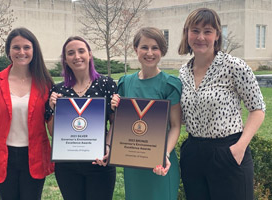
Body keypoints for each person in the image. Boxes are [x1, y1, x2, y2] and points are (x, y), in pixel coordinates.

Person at [178, 8, 266, 200]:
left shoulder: (234, 66)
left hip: (228, 151)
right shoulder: (183, 73)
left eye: (207, 31)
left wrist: (239, 147)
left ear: (217, 35)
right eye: (195, 30)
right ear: (187, 33)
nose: (201, 36)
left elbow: (258, 109)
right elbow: (181, 117)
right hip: (193, 154)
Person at [0, 27, 54, 200]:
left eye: (26, 47)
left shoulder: (45, 83)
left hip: (35, 156)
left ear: (34, 50)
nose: (21, 52)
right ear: (8, 51)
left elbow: (52, 123)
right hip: (4, 157)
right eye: (16, 47)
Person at [111, 27, 182, 200]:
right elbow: (118, 125)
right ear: (136, 49)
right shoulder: (125, 83)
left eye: (155, 48)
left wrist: (164, 154)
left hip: (160, 162)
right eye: (144, 47)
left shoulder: (170, 84)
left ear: (162, 52)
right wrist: (116, 109)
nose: (149, 53)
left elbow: (175, 126)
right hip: (133, 162)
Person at [45, 36, 117, 200]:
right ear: (65, 59)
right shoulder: (58, 90)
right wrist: (53, 108)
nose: (76, 56)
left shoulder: (106, 84)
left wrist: (108, 146)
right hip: (67, 166)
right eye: (70, 53)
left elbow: (115, 121)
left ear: (90, 54)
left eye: (81, 51)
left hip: (99, 162)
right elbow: (52, 132)